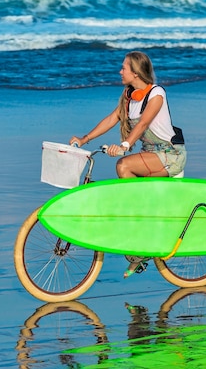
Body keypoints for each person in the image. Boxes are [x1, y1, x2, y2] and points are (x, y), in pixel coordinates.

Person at [69, 51, 187, 277]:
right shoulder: (129, 95)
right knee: (129, 191)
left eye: (124, 68)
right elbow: (113, 118)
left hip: (169, 156)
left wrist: (124, 145)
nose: (120, 71)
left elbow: (143, 124)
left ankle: (142, 227)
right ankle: (143, 242)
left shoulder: (156, 93)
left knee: (124, 166)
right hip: (149, 155)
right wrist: (84, 139)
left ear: (135, 72)